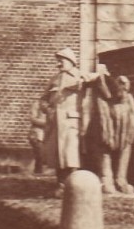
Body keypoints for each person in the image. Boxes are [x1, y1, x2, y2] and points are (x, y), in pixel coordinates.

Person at [39, 48, 103, 194]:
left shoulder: (79, 74)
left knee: (71, 155)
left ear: (70, 61)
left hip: (71, 122)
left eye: (61, 61)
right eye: (58, 61)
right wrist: (47, 109)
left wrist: (84, 80)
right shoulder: (54, 79)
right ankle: (60, 184)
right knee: (58, 155)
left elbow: (100, 75)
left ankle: (72, 185)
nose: (59, 64)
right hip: (55, 122)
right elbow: (43, 99)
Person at [97, 75, 134, 194]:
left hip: (124, 133)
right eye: (120, 88)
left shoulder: (129, 99)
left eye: (125, 89)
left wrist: (131, 131)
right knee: (105, 152)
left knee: (125, 151)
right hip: (110, 133)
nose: (123, 92)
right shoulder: (106, 100)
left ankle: (121, 180)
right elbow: (104, 118)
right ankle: (106, 179)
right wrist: (108, 133)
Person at [28, 99, 48, 175]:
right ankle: (38, 171)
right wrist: (46, 123)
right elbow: (33, 118)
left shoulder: (54, 104)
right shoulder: (37, 104)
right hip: (38, 132)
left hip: (49, 133)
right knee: (39, 153)